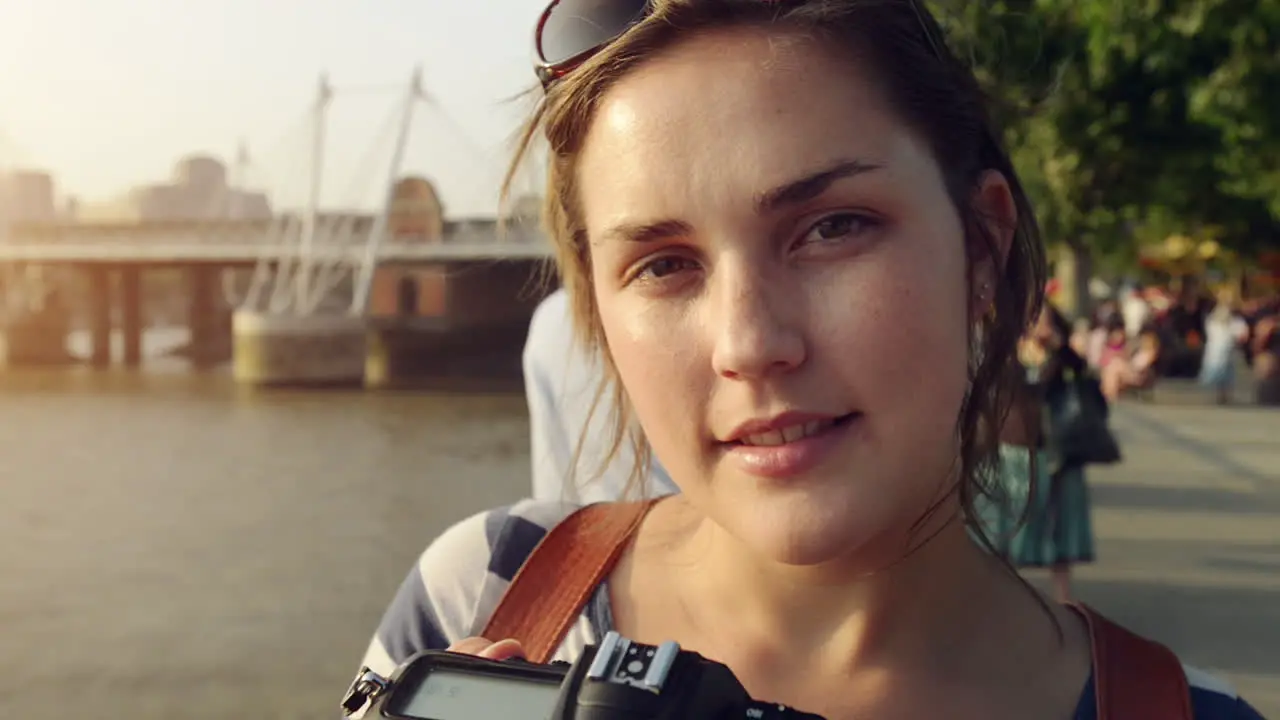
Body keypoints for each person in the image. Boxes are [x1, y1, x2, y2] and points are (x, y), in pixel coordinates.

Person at [354, 1, 1265, 717]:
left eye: (834, 229)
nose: (749, 345)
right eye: (664, 265)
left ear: (980, 249)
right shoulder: (482, 595)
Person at [523, 287, 679, 503]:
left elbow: (554, 494)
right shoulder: (676, 310)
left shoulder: (552, 321)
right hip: (693, 526)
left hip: (600, 529)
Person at [984, 306, 1096, 604]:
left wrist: (1062, 350)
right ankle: (1005, 594)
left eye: (1047, 320)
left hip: (1059, 448)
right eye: (1035, 320)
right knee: (1010, 522)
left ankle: (1064, 597)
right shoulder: (1006, 354)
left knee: (1064, 520)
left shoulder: (1063, 357)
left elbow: (1085, 377)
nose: (1041, 326)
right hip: (1016, 449)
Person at [1198, 290, 1249, 405]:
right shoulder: (1216, 318)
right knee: (1220, 369)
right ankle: (1220, 394)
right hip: (1220, 347)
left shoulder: (1232, 319)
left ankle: (1223, 394)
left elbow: (1241, 334)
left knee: (1226, 371)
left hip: (1225, 348)